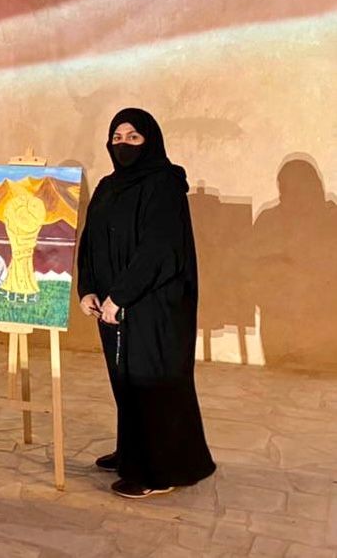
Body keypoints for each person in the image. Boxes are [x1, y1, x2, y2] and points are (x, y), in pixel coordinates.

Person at [77, 107, 216, 499]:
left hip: (155, 305)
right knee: (126, 380)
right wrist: (88, 289)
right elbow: (91, 241)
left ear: (149, 141)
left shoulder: (164, 184)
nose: (123, 145)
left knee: (155, 381)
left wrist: (121, 295)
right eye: (117, 138)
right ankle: (134, 452)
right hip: (112, 304)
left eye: (133, 137)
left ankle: (161, 471)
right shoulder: (108, 186)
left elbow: (160, 248)